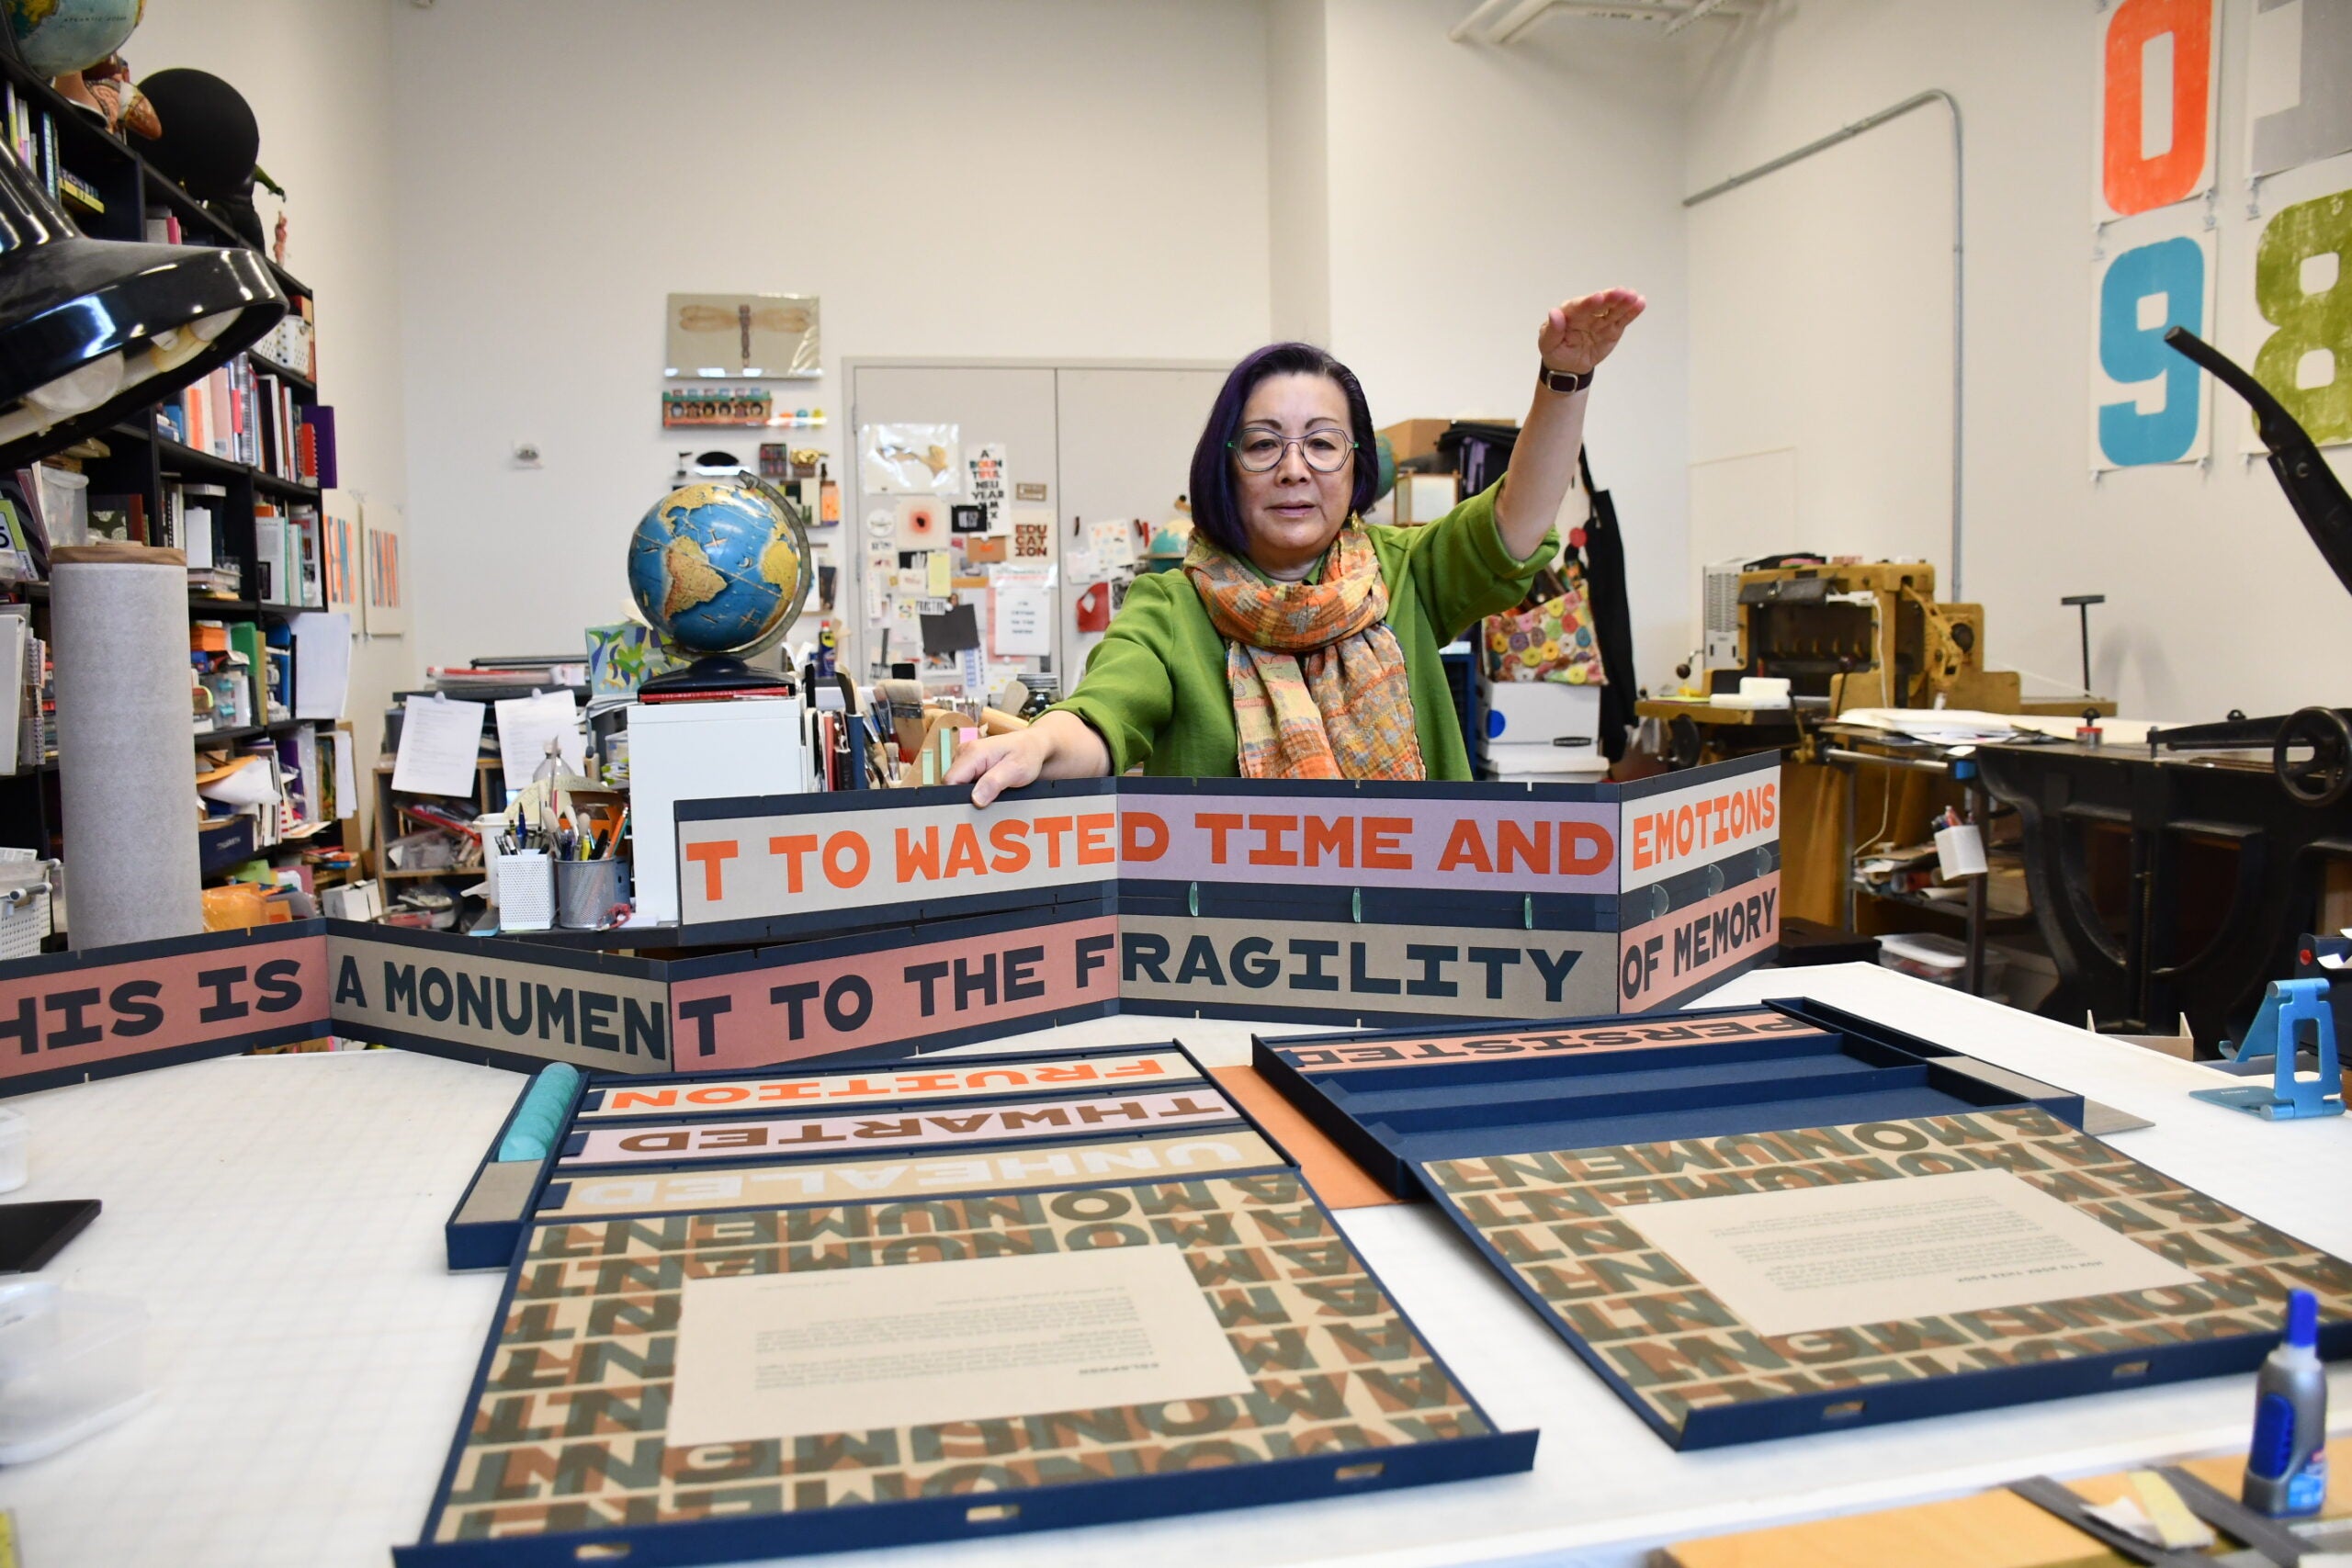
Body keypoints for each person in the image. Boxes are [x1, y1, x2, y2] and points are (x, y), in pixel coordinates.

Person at [948, 288, 1645, 806]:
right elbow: (1105, 715)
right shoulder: (1172, 607)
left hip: (1423, 927)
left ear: (1355, 466)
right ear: (1224, 466)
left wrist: (1565, 381)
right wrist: (1041, 741)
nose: (1293, 468)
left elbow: (1513, 527)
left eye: (1320, 442)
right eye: (1262, 444)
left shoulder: (1402, 572)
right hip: (1232, 948)